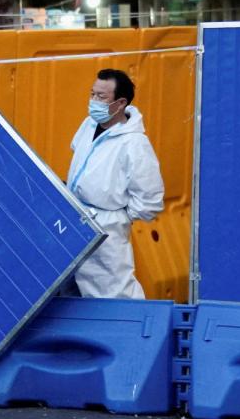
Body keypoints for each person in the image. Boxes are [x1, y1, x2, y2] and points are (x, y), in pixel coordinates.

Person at [66, 69, 165, 299]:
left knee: (112, 291)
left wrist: (117, 218)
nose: (94, 102)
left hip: (106, 228)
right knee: (72, 290)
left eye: (101, 97)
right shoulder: (89, 124)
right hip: (76, 219)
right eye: (92, 94)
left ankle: (129, 331)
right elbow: (78, 152)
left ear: (120, 103)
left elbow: (150, 201)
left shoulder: (135, 144)